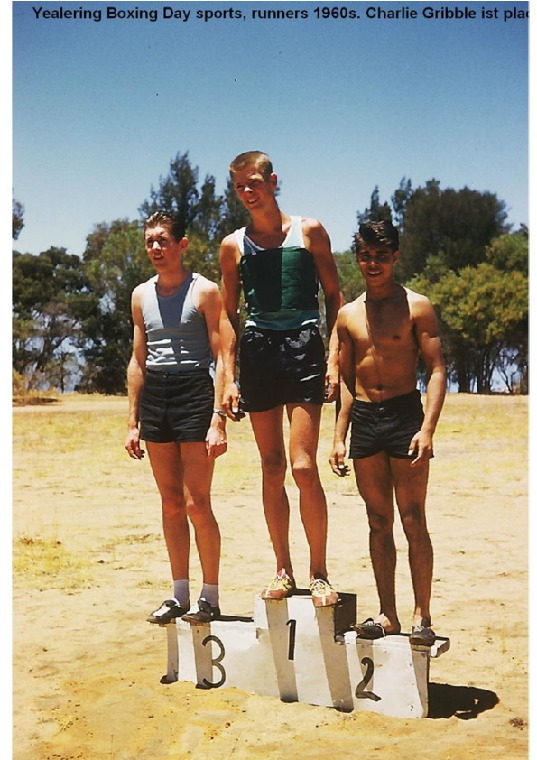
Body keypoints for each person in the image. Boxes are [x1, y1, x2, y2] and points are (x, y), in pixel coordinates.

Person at [219, 151, 341, 606]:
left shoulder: (309, 232)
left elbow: (333, 294)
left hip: (304, 346)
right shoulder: (233, 245)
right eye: (239, 188)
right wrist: (229, 377)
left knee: (304, 466)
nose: (248, 193)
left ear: (273, 181)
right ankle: (283, 570)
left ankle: (320, 572)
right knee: (272, 467)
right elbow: (229, 315)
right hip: (259, 351)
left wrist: (333, 358)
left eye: (254, 183)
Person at [329, 220, 446, 645]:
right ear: (357, 256)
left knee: (413, 518)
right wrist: (339, 436)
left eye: (381, 255)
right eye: (365, 255)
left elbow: (435, 370)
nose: (372, 263)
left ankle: (422, 615)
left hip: (404, 415)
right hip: (365, 419)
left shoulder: (418, 306)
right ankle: (388, 613)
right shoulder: (348, 315)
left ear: (395, 257)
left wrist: (427, 429)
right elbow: (344, 380)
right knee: (378, 520)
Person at [125, 211, 227, 625]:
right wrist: (133, 421)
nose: (155, 248)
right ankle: (179, 594)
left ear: (181, 244)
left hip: (194, 394)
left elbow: (222, 355)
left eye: (163, 240)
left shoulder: (204, 291)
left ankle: (211, 596)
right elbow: (138, 359)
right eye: (150, 240)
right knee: (170, 503)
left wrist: (218, 417)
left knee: (196, 502)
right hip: (157, 397)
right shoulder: (140, 295)